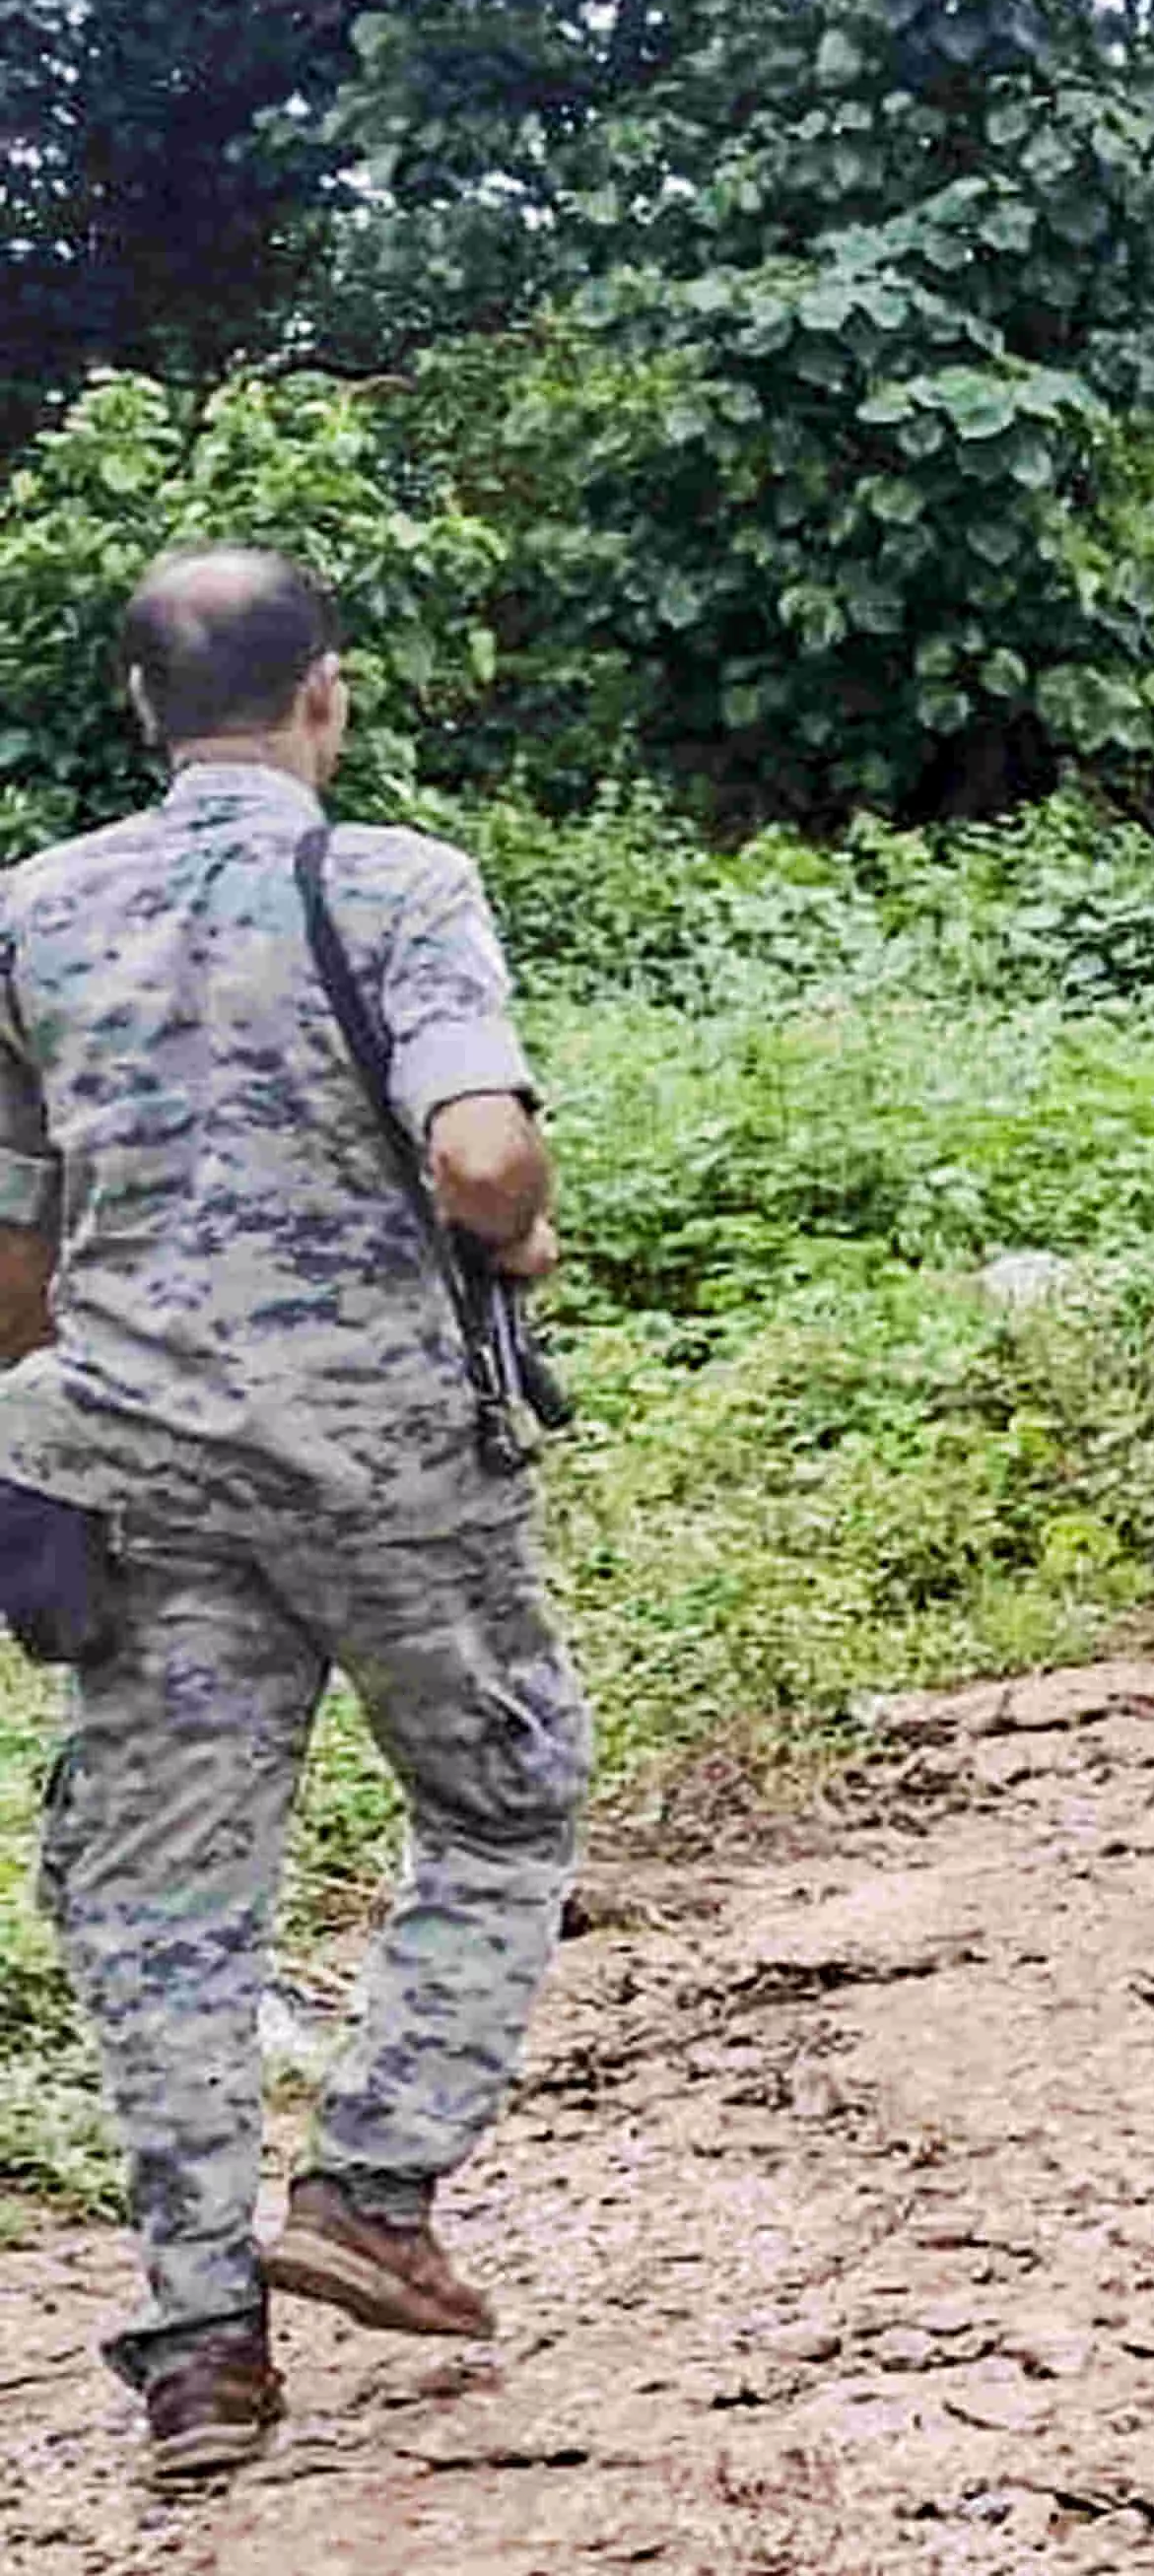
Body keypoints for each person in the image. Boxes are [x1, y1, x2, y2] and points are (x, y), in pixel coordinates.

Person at [0, 550, 589, 2484]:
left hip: (139, 1463)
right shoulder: (396, 883)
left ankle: (196, 2347)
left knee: (167, 1895)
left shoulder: (32, 914)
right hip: (388, 1462)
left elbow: (11, 1256)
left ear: (138, 707)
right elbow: (483, 1148)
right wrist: (514, 1229)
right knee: (503, 1792)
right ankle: (374, 2176)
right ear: (324, 693)